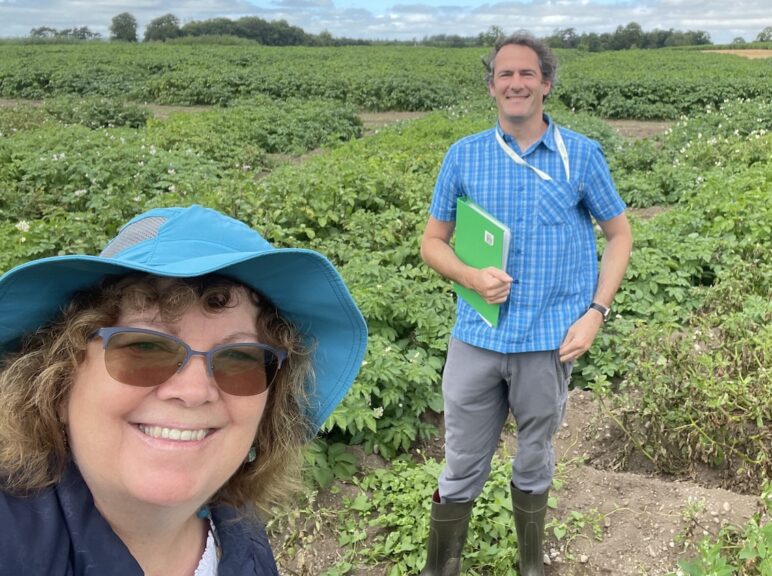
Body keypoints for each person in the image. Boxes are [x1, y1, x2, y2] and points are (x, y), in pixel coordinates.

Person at [0, 205, 367, 575]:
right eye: (145, 348)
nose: (193, 391)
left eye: (238, 359)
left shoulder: (241, 540)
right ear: (59, 383)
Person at [419, 31, 633, 575]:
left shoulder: (580, 155)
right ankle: (440, 567)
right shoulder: (463, 155)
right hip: (477, 337)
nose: (516, 83)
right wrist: (469, 274)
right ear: (491, 87)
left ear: (547, 84)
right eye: (505, 74)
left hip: (548, 342)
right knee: (462, 461)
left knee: (534, 457)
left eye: (527, 73)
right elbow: (432, 242)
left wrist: (596, 312)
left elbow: (619, 235)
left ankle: (531, 564)